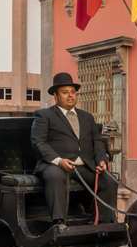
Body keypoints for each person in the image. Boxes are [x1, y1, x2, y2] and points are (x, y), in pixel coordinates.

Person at [31, 72, 118, 228]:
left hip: (84, 165)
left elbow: (97, 141)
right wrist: (58, 161)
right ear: (56, 96)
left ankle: (106, 223)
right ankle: (59, 222)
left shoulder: (87, 117)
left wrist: (101, 160)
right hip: (55, 164)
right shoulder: (44, 115)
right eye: (65, 93)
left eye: (73, 92)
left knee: (109, 180)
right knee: (55, 176)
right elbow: (38, 142)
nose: (70, 96)